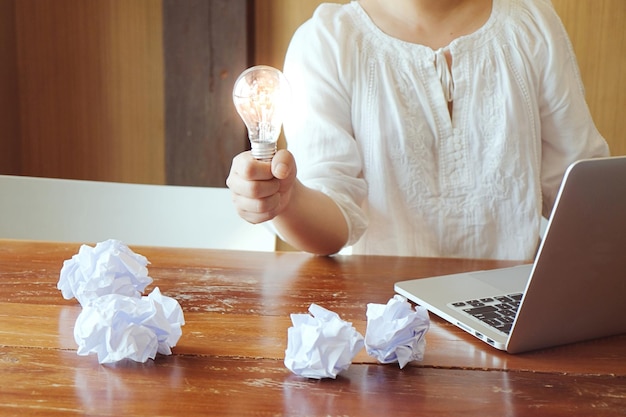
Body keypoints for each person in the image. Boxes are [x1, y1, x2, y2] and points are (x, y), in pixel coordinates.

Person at [226, 0, 609, 260]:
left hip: (515, 305)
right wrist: (284, 201)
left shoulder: (532, 26)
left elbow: (579, 192)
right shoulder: (330, 42)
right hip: (383, 318)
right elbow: (333, 213)